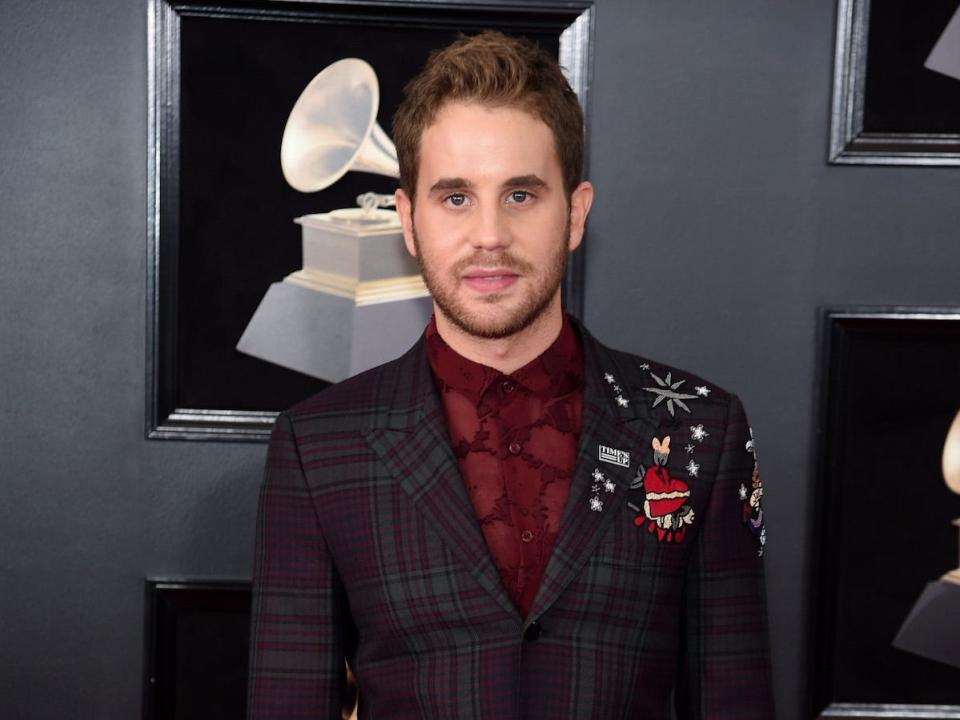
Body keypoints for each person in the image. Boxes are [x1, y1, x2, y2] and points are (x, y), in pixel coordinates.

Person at [247, 31, 774, 719]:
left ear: (576, 213)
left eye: (521, 195)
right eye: (456, 198)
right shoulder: (316, 447)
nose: (490, 235)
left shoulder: (702, 426)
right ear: (408, 219)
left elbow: (735, 702)